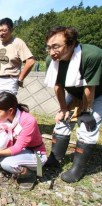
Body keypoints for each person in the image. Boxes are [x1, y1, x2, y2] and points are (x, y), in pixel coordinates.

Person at [44, 26, 102, 183]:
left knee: (87, 126)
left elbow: (90, 87)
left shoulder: (91, 55)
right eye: (48, 47)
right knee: (62, 121)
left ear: (71, 44)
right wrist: (63, 108)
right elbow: (58, 86)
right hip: (74, 92)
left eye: (56, 46)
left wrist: (86, 111)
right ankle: (55, 158)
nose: (51, 52)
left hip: (97, 93)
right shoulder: (52, 60)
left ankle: (77, 168)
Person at [0, 92, 47, 190]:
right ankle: (14, 168)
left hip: (36, 153)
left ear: (10, 111)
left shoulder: (28, 121)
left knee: (6, 162)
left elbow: (17, 148)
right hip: (19, 150)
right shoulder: (1, 118)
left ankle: (28, 174)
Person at [0, 17, 35, 99]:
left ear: (11, 30)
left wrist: (21, 78)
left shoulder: (18, 43)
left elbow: (30, 61)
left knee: (6, 108)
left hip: (10, 81)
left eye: (4, 30)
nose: (1, 33)